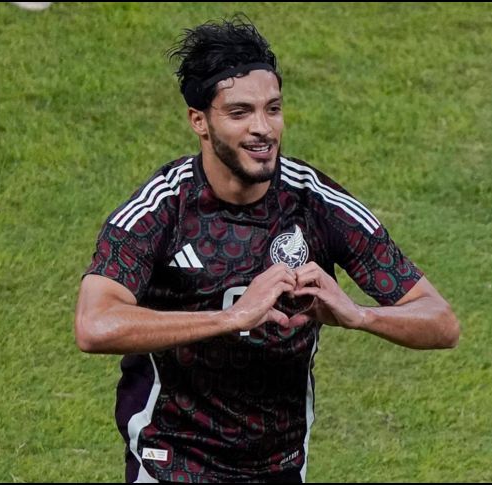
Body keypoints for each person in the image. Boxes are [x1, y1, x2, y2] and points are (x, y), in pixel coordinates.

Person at [75, 16, 460, 484]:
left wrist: (359, 315)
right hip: (170, 463)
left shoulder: (316, 202)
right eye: (239, 113)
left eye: (273, 109)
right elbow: (94, 325)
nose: (264, 128)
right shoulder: (161, 210)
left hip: (279, 469)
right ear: (199, 120)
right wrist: (231, 318)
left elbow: (440, 321)